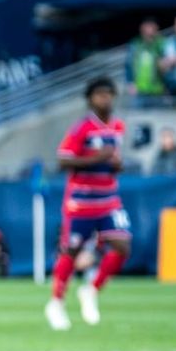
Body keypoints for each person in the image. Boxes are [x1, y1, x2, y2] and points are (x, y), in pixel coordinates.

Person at [45, 77, 130, 330]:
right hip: (82, 202)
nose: (105, 99)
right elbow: (63, 160)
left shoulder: (117, 127)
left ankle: (91, 290)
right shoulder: (82, 128)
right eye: (100, 94)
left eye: (109, 94)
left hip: (109, 199)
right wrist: (97, 158)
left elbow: (114, 162)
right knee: (71, 251)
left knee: (123, 246)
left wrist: (117, 165)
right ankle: (56, 302)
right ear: (90, 99)